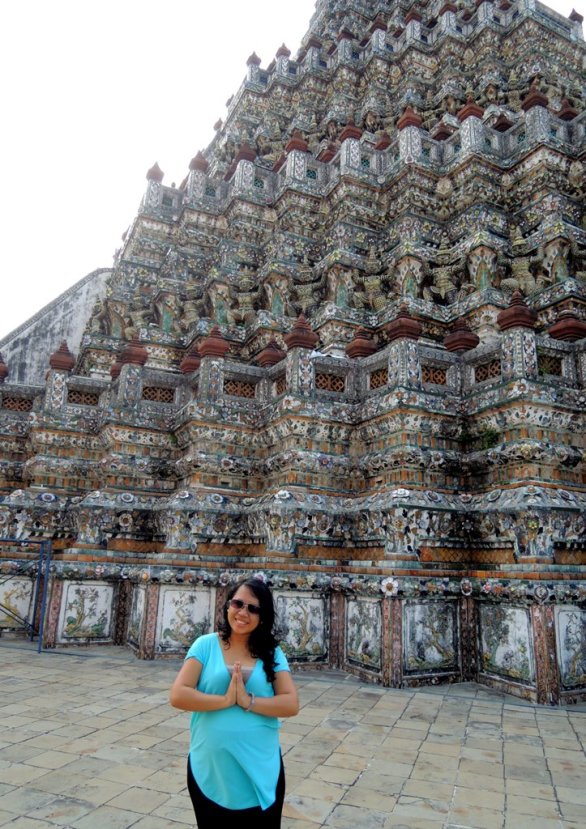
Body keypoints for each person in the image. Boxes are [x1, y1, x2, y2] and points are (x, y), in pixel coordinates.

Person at [170, 577, 299, 828]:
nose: (243, 612)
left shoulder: (272, 651)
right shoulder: (205, 645)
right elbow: (178, 694)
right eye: (238, 604)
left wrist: (248, 701)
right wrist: (227, 700)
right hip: (211, 768)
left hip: (259, 766)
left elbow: (290, 703)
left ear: (263, 617)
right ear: (228, 605)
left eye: (253, 608)